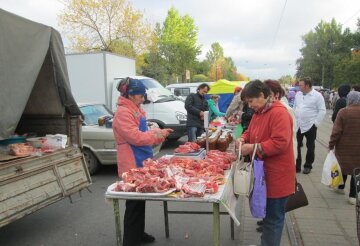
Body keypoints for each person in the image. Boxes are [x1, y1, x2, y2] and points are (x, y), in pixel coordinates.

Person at [112, 77, 173, 246]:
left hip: (142, 158)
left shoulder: (135, 108)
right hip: (131, 160)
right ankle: (130, 241)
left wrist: (156, 131)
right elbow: (135, 137)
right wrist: (157, 135)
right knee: (133, 203)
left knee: (140, 200)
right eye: (140, 95)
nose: (143, 98)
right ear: (131, 95)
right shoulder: (123, 112)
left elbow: (142, 129)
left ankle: (138, 233)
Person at [238, 80, 295, 246]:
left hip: (277, 175)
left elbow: (280, 142)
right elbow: (250, 131)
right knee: (268, 216)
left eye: (251, 101)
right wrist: (243, 138)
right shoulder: (260, 112)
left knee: (273, 219)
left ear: (262, 95)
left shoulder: (279, 112)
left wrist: (252, 148)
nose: (250, 106)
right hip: (265, 174)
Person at [329, 91, 360, 205]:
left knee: (343, 166)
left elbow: (336, 131)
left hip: (344, 146)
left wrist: (331, 144)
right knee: (356, 170)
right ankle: (353, 196)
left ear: (349, 100)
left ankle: (341, 187)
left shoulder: (344, 112)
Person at [293, 77, 326, 174]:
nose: (299, 87)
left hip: (310, 125)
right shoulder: (298, 95)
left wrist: (315, 123)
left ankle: (308, 165)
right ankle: (297, 166)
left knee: (310, 146)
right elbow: (295, 106)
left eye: (300, 85)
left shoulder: (317, 96)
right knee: (297, 145)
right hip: (298, 125)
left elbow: (322, 110)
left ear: (307, 86)